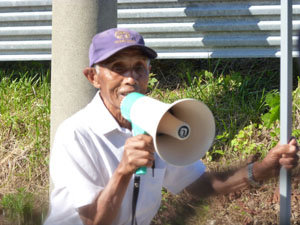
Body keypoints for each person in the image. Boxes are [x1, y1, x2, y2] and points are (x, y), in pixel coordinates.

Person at [44, 28, 299, 225]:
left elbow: (201, 185)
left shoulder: (156, 122)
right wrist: (123, 171)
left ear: (149, 73)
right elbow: (93, 220)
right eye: (117, 68)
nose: (130, 79)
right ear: (93, 77)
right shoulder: (76, 134)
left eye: (138, 68)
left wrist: (264, 169)